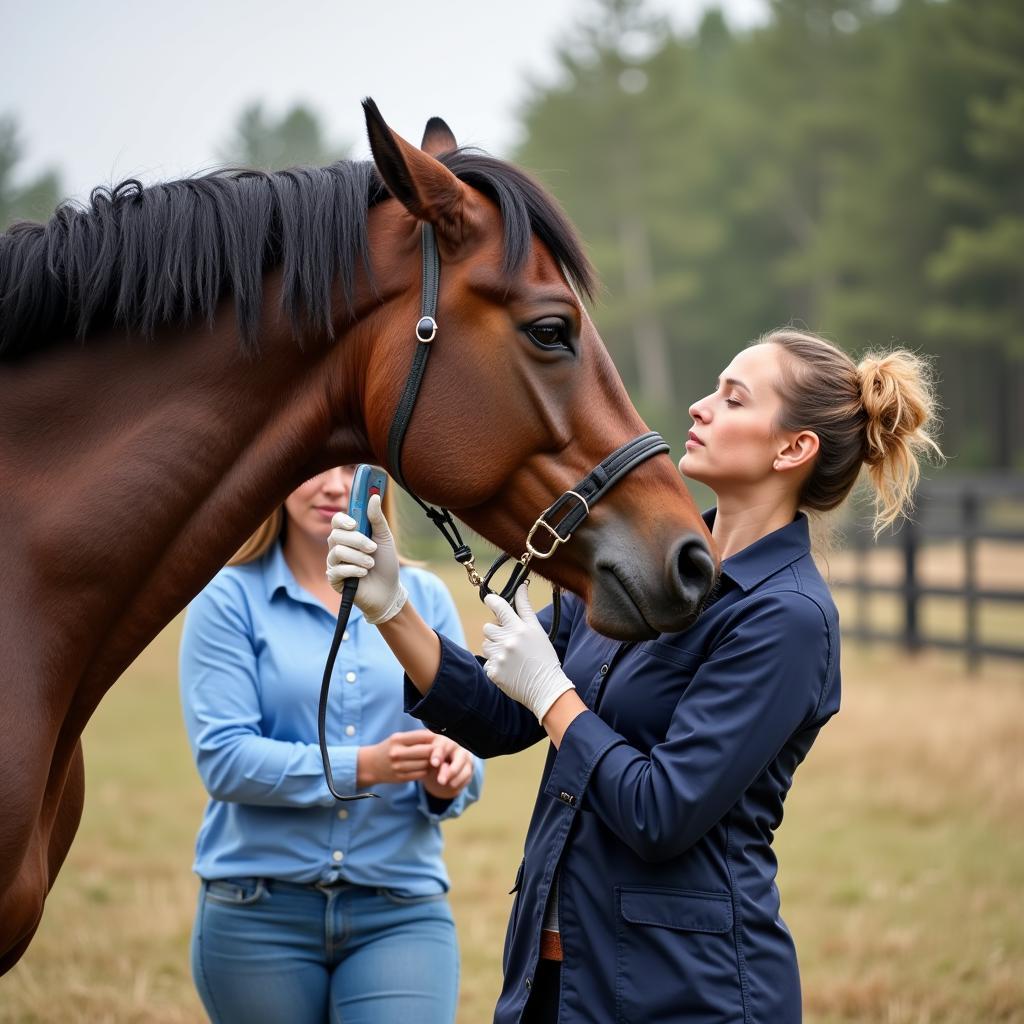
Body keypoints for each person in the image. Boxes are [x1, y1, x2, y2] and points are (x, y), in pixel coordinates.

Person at [326, 329, 942, 1024]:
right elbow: (502, 717)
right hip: (552, 973)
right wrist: (391, 607)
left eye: (733, 399)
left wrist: (554, 695)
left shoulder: (789, 618)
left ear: (792, 448)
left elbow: (661, 811)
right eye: (713, 388)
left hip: (688, 992)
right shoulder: (642, 563)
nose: (700, 407)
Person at [179, 465, 483, 1024]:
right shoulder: (226, 597)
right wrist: (366, 766)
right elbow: (224, 760)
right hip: (255, 913)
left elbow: (469, 747)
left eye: (351, 468)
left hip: (400, 911)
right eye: (311, 467)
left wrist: (449, 778)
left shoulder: (427, 599)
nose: (331, 486)